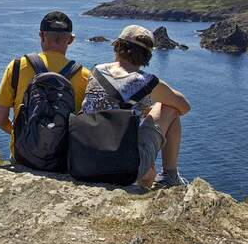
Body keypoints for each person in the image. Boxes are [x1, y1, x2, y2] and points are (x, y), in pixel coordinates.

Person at [81, 25, 191, 189]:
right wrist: (149, 107)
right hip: (119, 168)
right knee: (169, 108)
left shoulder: (97, 70)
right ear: (147, 56)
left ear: (117, 45)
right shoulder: (147, 82)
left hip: (84, 159)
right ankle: (170, 176)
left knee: (146, 166)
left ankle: (145, 181)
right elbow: (184, 107)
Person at [0, 11, 91, 159]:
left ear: (41, 35)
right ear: (71, 39)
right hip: (62, 159)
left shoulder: (17, 67)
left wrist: (25, 133)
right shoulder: (85, 76)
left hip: (23, 157)